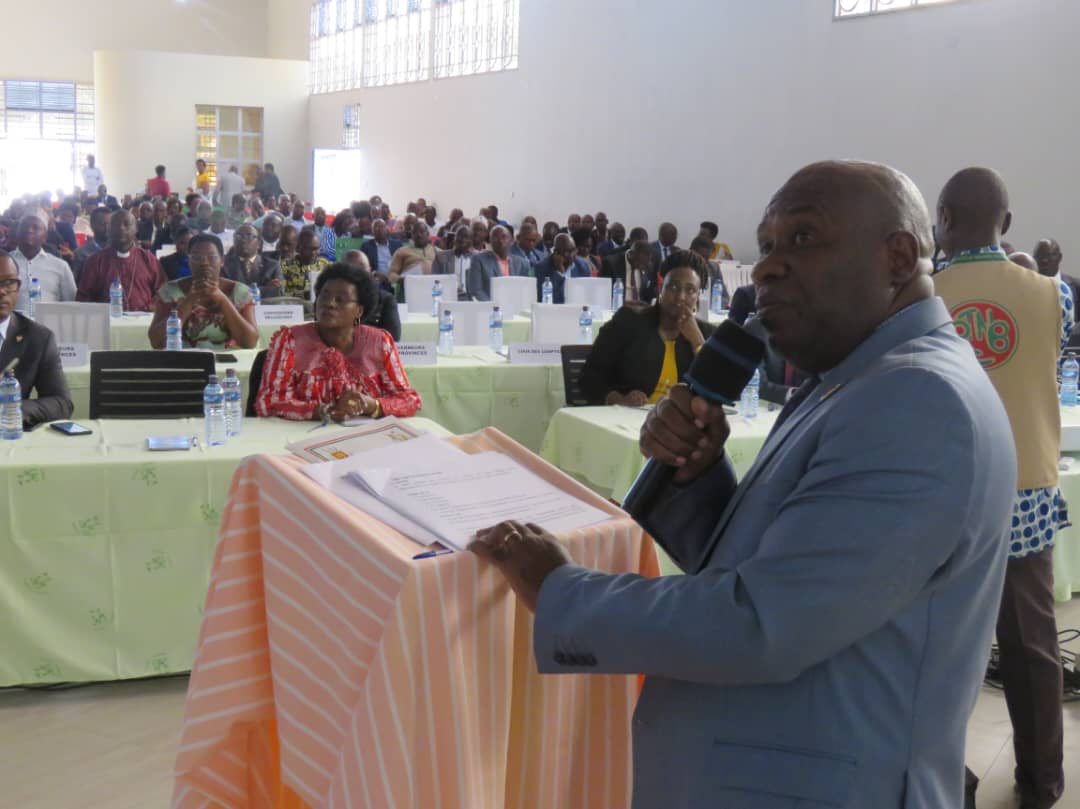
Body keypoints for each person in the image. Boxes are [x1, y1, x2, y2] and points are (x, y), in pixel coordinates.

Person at [469, 160, 1018, 809]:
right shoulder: (857, 377)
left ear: (897, 257)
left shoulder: (917, 399)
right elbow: (790, 567)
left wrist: (561, 591)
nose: (766, 269)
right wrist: (699, 477)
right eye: (766, 245)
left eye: (802, 238)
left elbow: (762, 624)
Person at [932, 167, 1069, 809]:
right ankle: (1041, 783)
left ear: (942, 220)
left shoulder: (920, 295)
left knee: (939, 647)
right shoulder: (1053, 294)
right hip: (1026, 489)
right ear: (1006, 223)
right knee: (1033, 649)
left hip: (944, 497)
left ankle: (945, 780)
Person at [255, 263, 421, 421]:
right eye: (324, 295)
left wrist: (373, 405)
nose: (329, 303)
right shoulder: (290, 340)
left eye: (341, 299)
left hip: (363, 434)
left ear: (359, 310)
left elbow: (409, 400)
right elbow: (269, 402)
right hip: (303, 433)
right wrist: (325, 411)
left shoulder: (379, 342)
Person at [582, 250, 715, 406]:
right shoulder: (628, 322)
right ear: (660, 289)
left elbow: (717, 391)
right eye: (673, 287)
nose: (680, 296)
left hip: (682, 419)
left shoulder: (706, 333)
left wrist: (697, 342)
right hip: (628, 416)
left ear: (698, 297)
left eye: (690, 290)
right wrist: (619, 400)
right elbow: (589, 376)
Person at [0, 250, 73, 428]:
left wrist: (11, 409)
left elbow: (61, 403)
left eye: (9, 283)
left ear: (18, 287)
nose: (2, 291)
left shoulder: (38, 338)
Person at [149, 233, 257, 350]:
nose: (204, 263)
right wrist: (190, 299)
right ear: (189, 261)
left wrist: (222, 300)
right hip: (183, 359)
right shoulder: (169, 291)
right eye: (197, 258)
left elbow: (250, 343)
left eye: (212, 257)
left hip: (228, 359)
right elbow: (156, 342)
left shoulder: (240, 292)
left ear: (222, 261)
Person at [77, 210, 167, 311]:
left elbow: (164, 293)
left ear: (136, 229)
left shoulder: (149, 259)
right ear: (109, 229)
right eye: (116, 224)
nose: (121, 228)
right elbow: (83, 298)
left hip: (144, 318)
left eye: (127, 224)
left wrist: (150, 307)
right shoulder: (95, 261)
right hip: (106, 319)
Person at [11, 213, 77, 311]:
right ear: (17, 233)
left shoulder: (60, 266)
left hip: (49, 320)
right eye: (24, 227)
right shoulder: (5, 263)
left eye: (35, 227)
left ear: (45, 237)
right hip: (11, 321)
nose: (29, 230)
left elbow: (71, 303)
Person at [342, 250, 401, 341]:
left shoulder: (386, 300)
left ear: (370, 272)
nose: (356, 274)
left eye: (361, 268)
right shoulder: (332, 300)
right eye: (350, 269)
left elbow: (392, 337)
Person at [467, 225, 531, 301]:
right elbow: (476, 290)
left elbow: (526, 291)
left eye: (504, 237)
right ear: (490, 241)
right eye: (495, 238)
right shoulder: (479, 260)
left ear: (511, 241)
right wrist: (494, 306)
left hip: (516, 306)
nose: (500, 241)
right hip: (489, 306)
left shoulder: (522, 264)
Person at [222, 224, 284, 300]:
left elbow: (278, 292)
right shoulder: (223, 264)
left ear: (259, 243)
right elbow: (222, 292)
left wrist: (238, 291)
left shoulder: (272, 266)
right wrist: (264, 289)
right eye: (239, 236)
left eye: (249, 236)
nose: (243, 240)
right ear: (234, 241)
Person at [533, 232, 592, 304]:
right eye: (567, 252)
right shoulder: (542, 268)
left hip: (578, 307)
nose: (571, 255)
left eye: (573, 250)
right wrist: (560, 272)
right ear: (556, 252)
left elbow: (588, 294)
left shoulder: (583, 266)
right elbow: (546, 299)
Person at [599, 238, 657, 304]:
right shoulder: (610, 264)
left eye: (645, 265)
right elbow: (603, 293)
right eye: (640, 264)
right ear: (631, 254)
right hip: (619, 307)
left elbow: (648, 294)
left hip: (640, 307)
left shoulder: (648, 266)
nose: (642, 268)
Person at [281, 229, 330, 299]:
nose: (313, 253)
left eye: (316, 249)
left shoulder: (325, 265)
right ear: (299, 248)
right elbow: (281, 293)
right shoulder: (285, 266)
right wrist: (303, 294)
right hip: (295, 304)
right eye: (310, 249)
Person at [432, 224, 474, 299]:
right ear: (454, 239)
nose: (462, 240)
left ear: (471, 241)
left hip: (471, 299)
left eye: (466, 237)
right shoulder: (441, 257)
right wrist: (451, 290)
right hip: (448, 297)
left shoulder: (477, 259)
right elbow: (434, 281)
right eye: (460, 236)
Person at [72, 207, 110, 284]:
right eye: (103, 224)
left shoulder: (118, 250)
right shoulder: (81, 253)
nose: (107, 228)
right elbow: (75, 283)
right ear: (92, 226)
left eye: (110, 224)